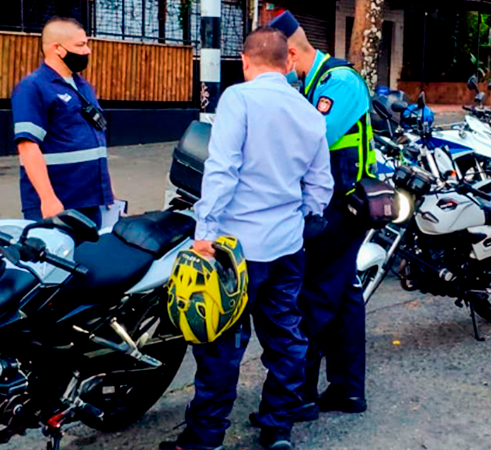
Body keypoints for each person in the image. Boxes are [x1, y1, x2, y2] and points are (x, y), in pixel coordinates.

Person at [160, 27, 333, 450]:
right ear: (288, 62)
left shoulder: (238, 98)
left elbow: (222, 169)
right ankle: (278, 428)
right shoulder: (309, 112)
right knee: (286, 337)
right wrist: (306, 216)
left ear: (244, 61)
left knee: (221, 344)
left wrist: (205, 231)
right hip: (287, 246)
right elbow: (320, 185)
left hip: (234, 250)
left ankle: (206, 437)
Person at [266, 11, 375, 416]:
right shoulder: (310, 84)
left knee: (312, 297)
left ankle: (297, 395)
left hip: (341, 210)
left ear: (291, 54)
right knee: (344, 298)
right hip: (329, 205)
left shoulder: (340, 82)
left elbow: (313, 140)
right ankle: (347, 390)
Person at [11, 17, 117, 225]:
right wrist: (48, 199)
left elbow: (95, 142)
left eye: (87, 44)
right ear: (57, 48)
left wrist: (107, 192)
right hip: (60, 202)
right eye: (80, 45)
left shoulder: (82, 86)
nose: (87, 51)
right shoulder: (33, 87)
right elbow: (28, 147)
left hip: (90, 199)